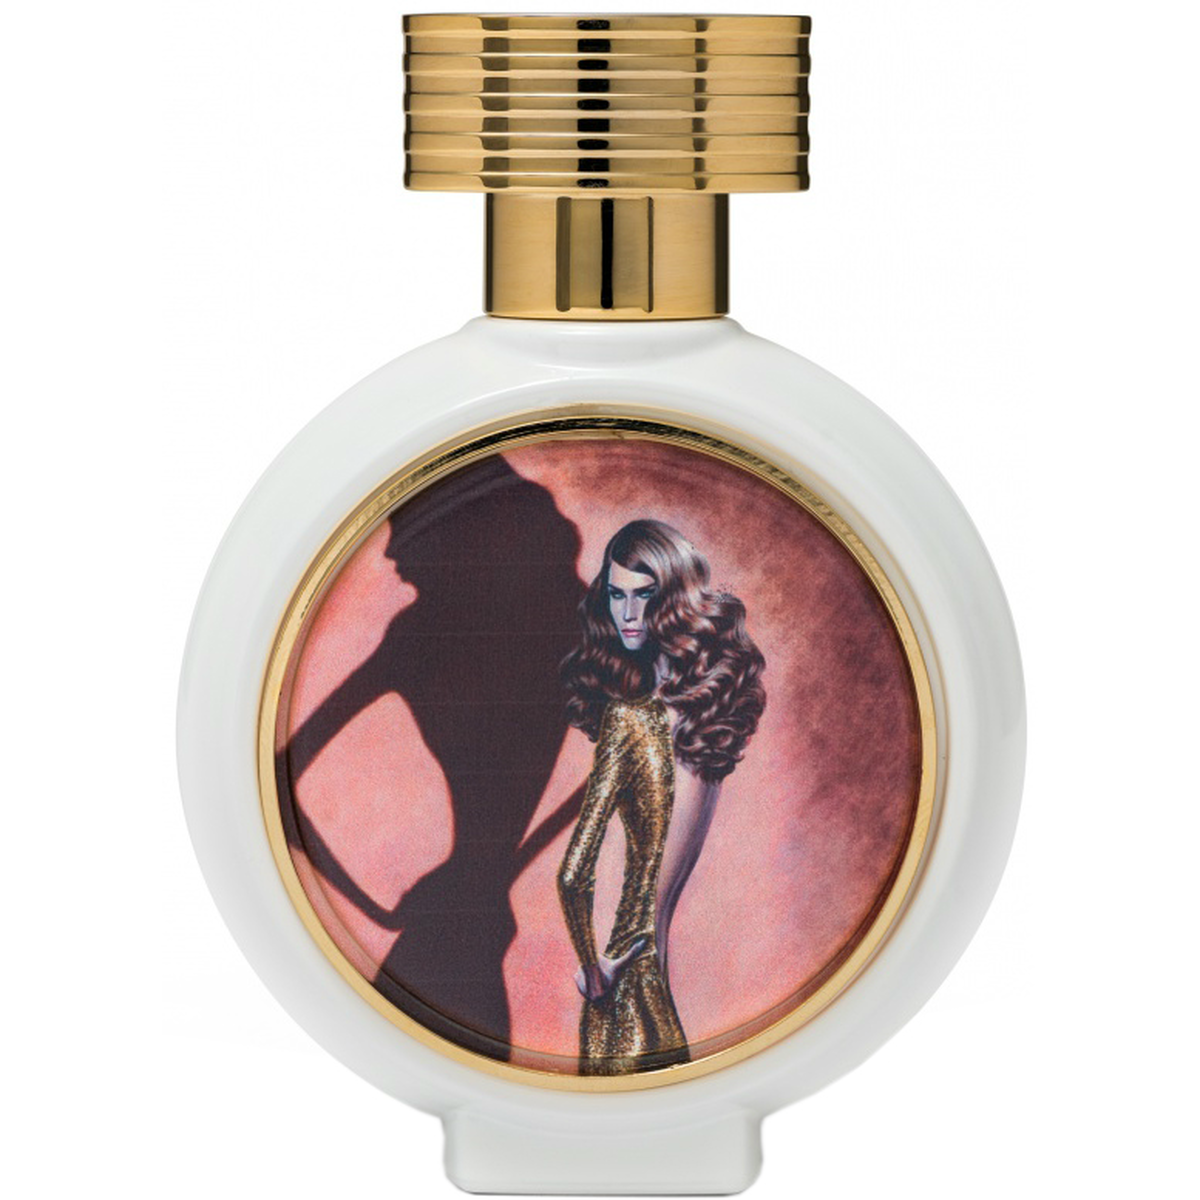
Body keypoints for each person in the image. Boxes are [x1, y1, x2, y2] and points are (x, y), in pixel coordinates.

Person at [557, 519, 766, 1075]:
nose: (628, 614)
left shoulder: (631, 720)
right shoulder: (705, 719)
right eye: (616, 595)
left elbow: (573, 875)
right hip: (656, 979)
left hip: (620, 983)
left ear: (672, 600)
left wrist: (592, 968)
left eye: (644, 596)